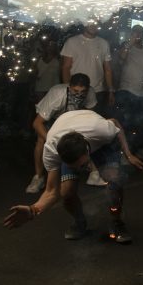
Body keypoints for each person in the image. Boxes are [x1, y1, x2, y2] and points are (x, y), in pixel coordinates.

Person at [4, 109, 143, 243]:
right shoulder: (51, 150)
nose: (80, 169)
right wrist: (32, 210)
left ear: (87, 151)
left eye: (82, 164)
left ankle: (117, 222)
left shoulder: (101, 131)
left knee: (114, 181)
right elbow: (51, 192)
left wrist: (129, 155)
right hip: (68, 132)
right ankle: (79, 222)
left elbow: (115, 122)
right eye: (74, 166)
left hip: (96, 137)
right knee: (66, 192)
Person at [61, 19, 114, 185]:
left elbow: (107, 69)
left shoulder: (103, 43)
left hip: (96, 92)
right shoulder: (72, 42)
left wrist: (111, 90)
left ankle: (92, 169)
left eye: (97, 23)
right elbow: (65, 68)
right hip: (76, 92)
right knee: (73, 130)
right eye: (91, 22)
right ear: (84, 23)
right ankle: (74, 166)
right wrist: (67, 91)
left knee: (93, 131)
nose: (95, 26)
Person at [25, 73, 98, 193]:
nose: (79, 95)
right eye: (75, 91)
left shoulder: (91, 92)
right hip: (51, 117)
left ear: (88, 89)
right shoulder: (57, 94)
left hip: (71, 115)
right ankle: (38, 177)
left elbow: (90, 116)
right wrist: (54, 142)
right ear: (69, 87)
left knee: (84, 135)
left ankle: (93, 171)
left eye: (82, 92)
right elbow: (37, 123)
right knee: (41, 140)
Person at [115, 25, 143, 160]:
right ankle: (125, 154)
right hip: (126, 90)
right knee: (126, 123)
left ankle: (139, 150)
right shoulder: (127, 47)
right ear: (131, 33)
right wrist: (129, 43)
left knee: (141, 124)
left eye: (141, 32)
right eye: (135, 32)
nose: (138, 34)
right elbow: (120, 59)